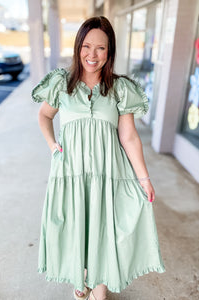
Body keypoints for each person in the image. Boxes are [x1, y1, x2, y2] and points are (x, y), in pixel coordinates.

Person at [32, 16, 165, 300]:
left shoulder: (119, 88)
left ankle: (100, 284)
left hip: (109, 172)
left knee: (106, 226)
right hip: (72, 171)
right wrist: (53, 145)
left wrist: (144, 178)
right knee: (76, 224)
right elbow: (44, 115)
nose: (92, 55)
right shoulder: (61, 84)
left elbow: (128, 136)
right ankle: (81, 275)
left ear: (110, 51)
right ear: (78, 46)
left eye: (101, 48)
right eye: (87, 46)